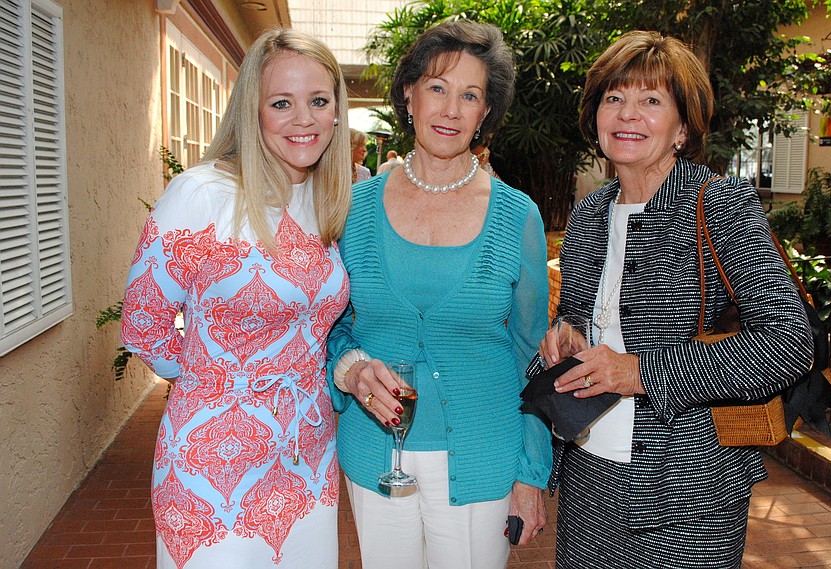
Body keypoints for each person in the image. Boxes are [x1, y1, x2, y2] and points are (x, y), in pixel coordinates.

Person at [533, 30, 813, 568]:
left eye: (650, 100)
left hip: (691, 491)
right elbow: (583, 319)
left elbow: (789, 343)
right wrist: (563, 340)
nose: (627, 114)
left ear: (683, 127)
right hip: (589, 476)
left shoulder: (720, 204)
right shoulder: (591, 213)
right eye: (613, 99)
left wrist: (639, 372)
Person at [120, 27, 352, 569]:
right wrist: (221, 383)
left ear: (337, 112)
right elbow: (143, 323)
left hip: (309, 460)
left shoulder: (327, 201)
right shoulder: (202, 195)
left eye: (319, 101)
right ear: (253, 111)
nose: (304, 119)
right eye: (281, 103)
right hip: (210, 468)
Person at [327, 20, 551, 569]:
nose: (451, 109)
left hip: (483, 457)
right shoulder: (353, 208)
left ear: (485, 113)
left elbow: (534, 354)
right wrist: (352, 368)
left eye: (470, 95)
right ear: (408, 95)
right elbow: (331, 326)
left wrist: (530, 471)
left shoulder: (516, 215)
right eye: (437, 88)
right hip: (376, 454)